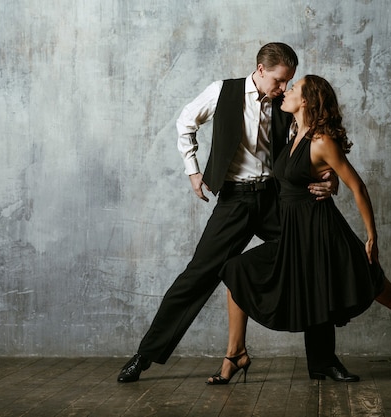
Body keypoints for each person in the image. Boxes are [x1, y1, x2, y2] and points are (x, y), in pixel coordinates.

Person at [208, 75, 391, 384]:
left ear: (305, 101)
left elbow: (357, 187)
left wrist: (372, 237)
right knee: (236, 269)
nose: (286, 91)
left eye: (293, 88)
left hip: (327, 241)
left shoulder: (321, 141)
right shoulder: (294, 131)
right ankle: (236, 354)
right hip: (296, 241)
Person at [118, 43, 359, 383]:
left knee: (311, 259)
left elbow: (314, 142)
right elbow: (186, 121)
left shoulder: (286, 104)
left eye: (288, 82)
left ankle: (322, 361)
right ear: (260, 69)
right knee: (199, 274)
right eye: (278, 80)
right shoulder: (223, 92)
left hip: (276, 200)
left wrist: (330, 177)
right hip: (235, 200)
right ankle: (144, 355)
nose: (283, 88)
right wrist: (193, 171)